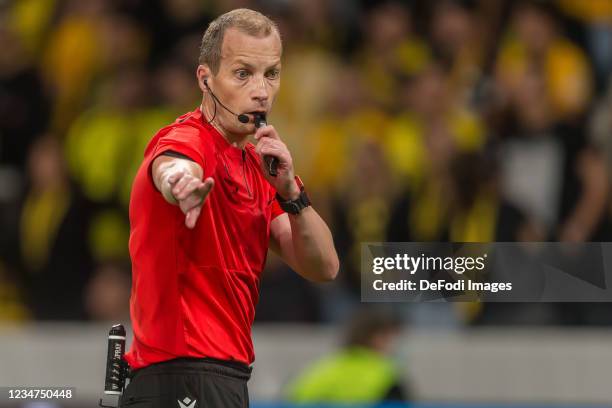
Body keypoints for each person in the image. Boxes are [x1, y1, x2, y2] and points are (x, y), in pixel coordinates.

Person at [120, 8, 339, 408]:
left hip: (225, 378)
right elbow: (170, 166)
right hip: (179, 374)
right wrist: (180, 184)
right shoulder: (187, 139)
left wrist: (292, 192)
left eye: (271, 73)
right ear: (206, 79)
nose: (261, 90)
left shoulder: (263, 167)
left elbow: (324, 267)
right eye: (243, 73)